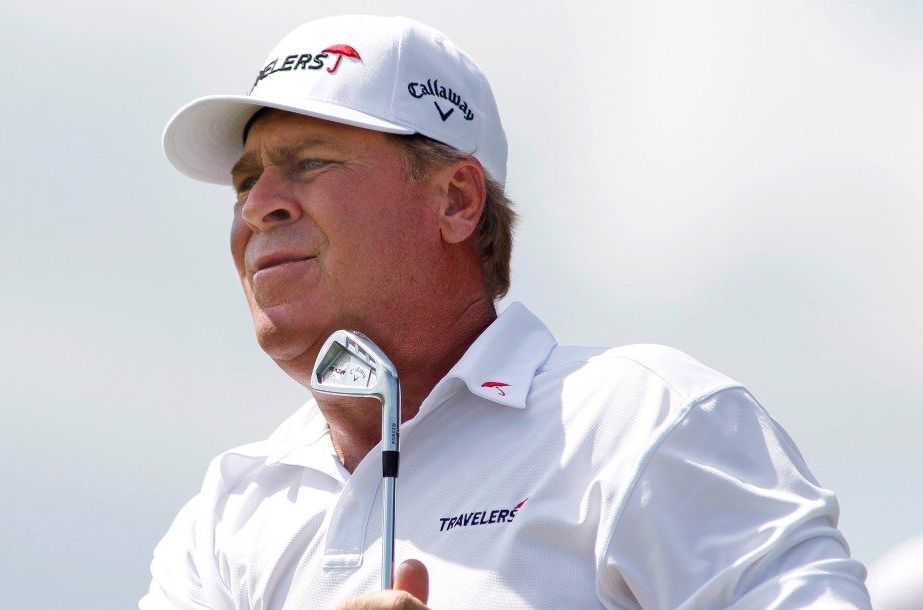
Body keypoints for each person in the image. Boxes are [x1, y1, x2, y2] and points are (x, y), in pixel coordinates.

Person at [143, 15, 871, 609]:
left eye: (310, 163)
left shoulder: (641, 419)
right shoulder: (233, 508)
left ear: (456, 200)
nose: (258, 206)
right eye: (245, 180)